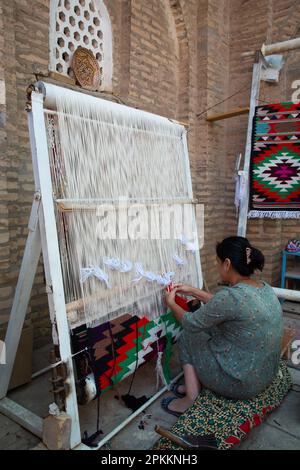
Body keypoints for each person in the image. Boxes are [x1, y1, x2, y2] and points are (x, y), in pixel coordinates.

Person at [162, 236, 283, 417]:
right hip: (265, 374)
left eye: (218, 263)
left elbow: (191, 323)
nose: (218, 267)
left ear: (227, 264)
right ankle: (193, 382)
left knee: (189, 334)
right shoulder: (263, 287)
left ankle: (190, 399)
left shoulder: (230, 297)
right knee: (213, 326)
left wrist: (171, 303)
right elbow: (226, 308)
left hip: (243, 384)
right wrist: (193, 291)